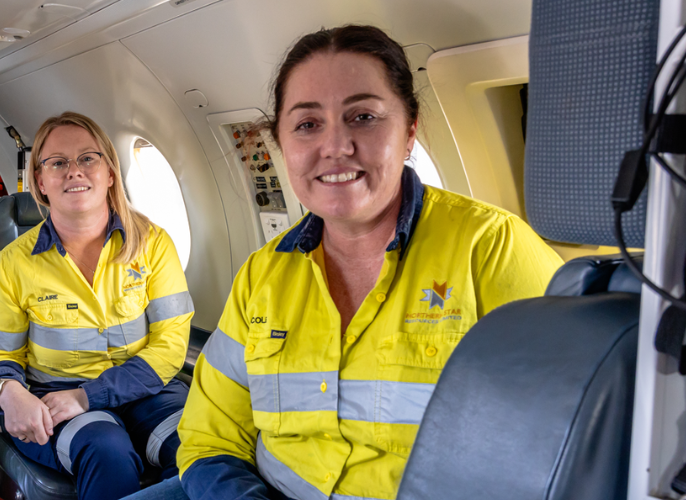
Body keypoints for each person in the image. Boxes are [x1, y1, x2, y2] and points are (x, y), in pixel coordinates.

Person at [131, 25, 564, 500]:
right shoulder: (261, 275)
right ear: (281, 141)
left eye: (362, 116)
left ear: (410, 129)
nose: (335, 145)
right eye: (308, 124)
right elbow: (208, 435)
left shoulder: (492, 249)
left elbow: (564, 448)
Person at [0, 112, 194, 500]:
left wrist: (89, 396)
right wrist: (10, 392)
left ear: (110, 172)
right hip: (55, 395)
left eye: (88, 158)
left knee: (201, 447)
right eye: (57, 163)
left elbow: (171, 345)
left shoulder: (154, 244)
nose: (74, 171)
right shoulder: (12, 264)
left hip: (148, 390)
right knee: (107, 452)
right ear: (40, 181)